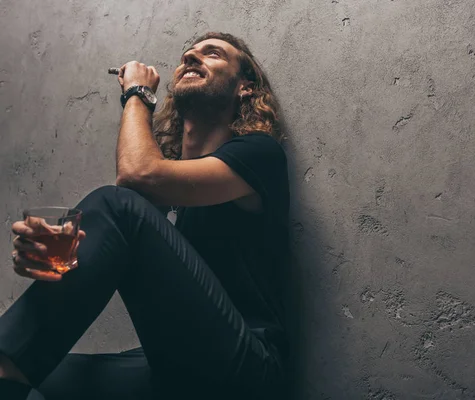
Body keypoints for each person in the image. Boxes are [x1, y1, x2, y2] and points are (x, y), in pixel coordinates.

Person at [0, 31, 290, 400]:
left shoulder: (260, 154)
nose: (191, 57)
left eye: (212, 53)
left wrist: (137, 94)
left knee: (116, 204)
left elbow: (133, 182)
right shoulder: (175, 195)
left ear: (245, 88)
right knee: (38, 377)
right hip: (174, 364)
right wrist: (53, 258)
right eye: (187, 55)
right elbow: (116, 236)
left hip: (249, 365)